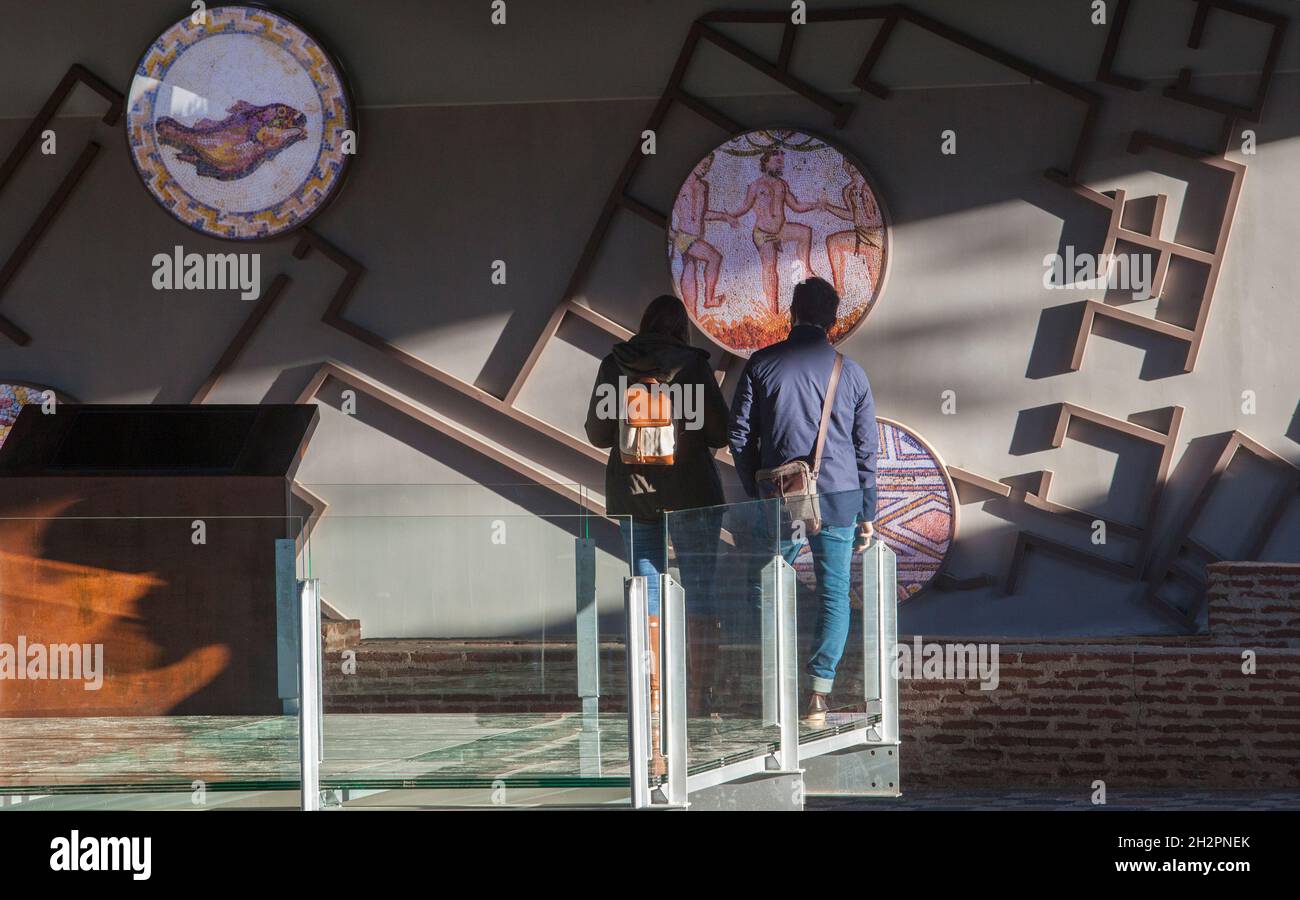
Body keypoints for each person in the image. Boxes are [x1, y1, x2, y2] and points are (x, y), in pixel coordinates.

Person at [584, 295, 729, 758]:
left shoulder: (615, 364)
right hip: (692, 494)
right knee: (701, 591)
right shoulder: (693, 366)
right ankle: (699, 697)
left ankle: (652, 699)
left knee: (644, 595)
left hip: (634, 491)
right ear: (680, 330)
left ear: (643, 325)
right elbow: (720, 433)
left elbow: (597, 433)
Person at [728, 277, 878, 723]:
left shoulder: (762, 364)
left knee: (765, 587)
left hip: (782, 499)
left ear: (792, 313)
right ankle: (817, 697)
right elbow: (867, 448)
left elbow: (739, 437)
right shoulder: (850, 373)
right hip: (839, 499)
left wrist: (758, 488)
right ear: (833, 320)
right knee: (834, 592)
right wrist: (868, 513)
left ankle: (778, 682)